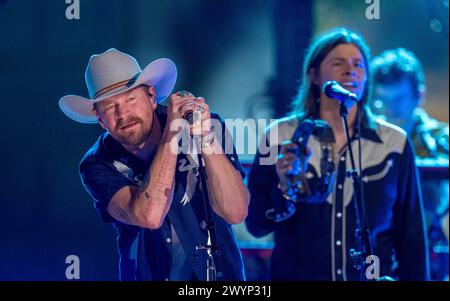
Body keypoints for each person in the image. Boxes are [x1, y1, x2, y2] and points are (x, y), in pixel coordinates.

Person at [246, 28, 429, 281]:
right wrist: (283, 187)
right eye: (338, 63)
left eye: (358, 65)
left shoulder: (394, 142)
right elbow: (256, 225)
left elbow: (412, 238)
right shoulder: (278, 136)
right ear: (314, 75)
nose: (350, 70)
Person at [59, 48, 249, 281]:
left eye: (130, 99)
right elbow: (149, 216)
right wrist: (171, 136)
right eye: (109, 107)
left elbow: (236, 212)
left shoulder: (208, 126)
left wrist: (205, 138)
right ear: (100, 119)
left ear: (151, 97)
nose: (123, 114)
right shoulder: (97, 164)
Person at [371, 48, 449, 280]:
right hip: (377, 256)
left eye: (398, 99)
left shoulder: (440, 141)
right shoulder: (363, 142)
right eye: (381, 100)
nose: (390, 110)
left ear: (420, 95)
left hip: (432, 255)